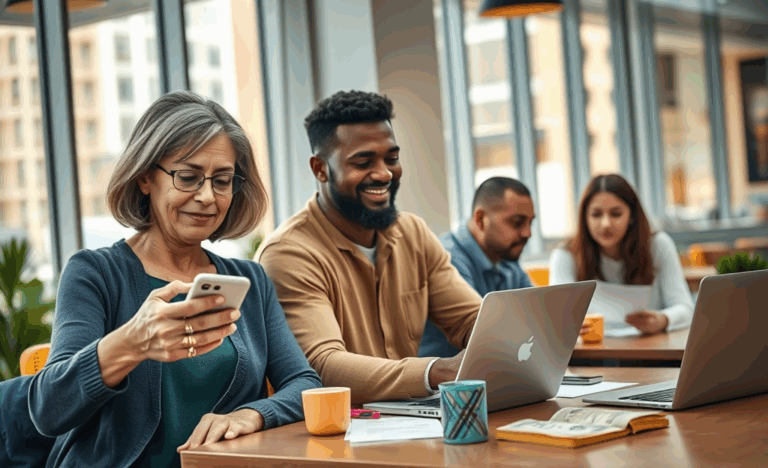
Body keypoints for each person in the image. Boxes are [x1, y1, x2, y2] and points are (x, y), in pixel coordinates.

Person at [27, 91, 321, 468]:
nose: (207, 197)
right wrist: (133, 341)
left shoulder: (249, 281)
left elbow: (305, 385)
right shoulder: (95, 274)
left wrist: (250, 415)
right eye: (188, 177)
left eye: (223, 180)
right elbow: (48, 408)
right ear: (146, 178)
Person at [256, 90, 482, 405]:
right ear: (320, 169)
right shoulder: (288, 254)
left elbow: (473, 320)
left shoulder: (413, 233)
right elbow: (322, 366)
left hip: (409, 423)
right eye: (364, 162)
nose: (384, 173)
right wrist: (436, 371)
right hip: (337, 436)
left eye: (391, 158)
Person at [548, 173, 694, 335]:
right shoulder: (565, 254)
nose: (606, 224)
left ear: (631, 216)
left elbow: (686, 308)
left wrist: (663, 319)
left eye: (616, 214)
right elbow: (558, 317)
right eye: (596, 214)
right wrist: (567, 324)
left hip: (649, 353)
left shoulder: (658, 245)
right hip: (591, 355)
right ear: (585, 218)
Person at [421, 177, 535, 357]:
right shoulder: (445, 258)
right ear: (481, 219)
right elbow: (483, 334)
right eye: (517, 222)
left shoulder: (506, 258)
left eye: (530, 223)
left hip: (491, 371)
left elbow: (538, 314)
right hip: (442, 382)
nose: (527, 233)